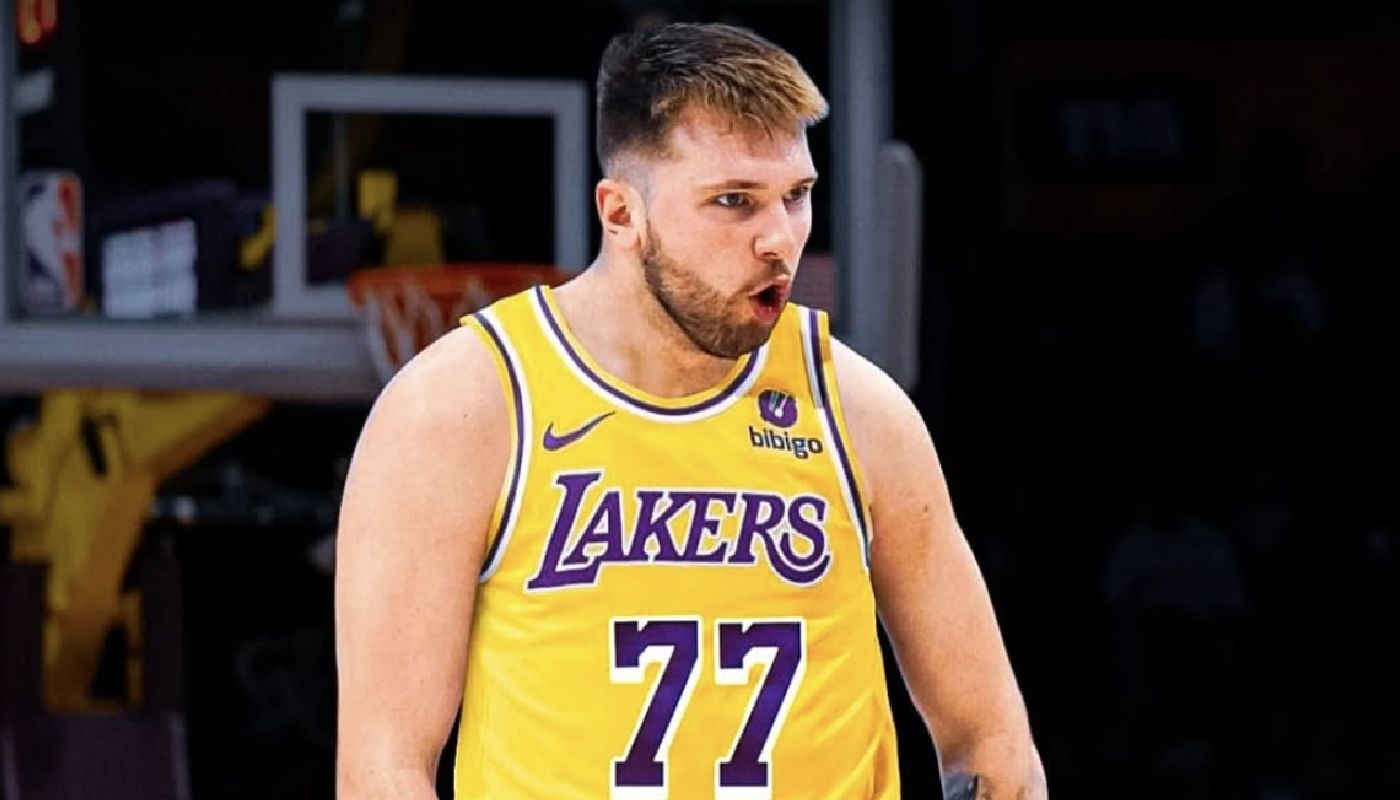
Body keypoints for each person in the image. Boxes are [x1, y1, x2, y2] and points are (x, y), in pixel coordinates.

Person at [333, 21, 1046, 800]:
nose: (779, 239)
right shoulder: (460, 409)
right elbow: (384, 769)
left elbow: (992, 744)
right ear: (621, 214)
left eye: (796, 197)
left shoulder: (860, 412)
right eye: (734, 201)